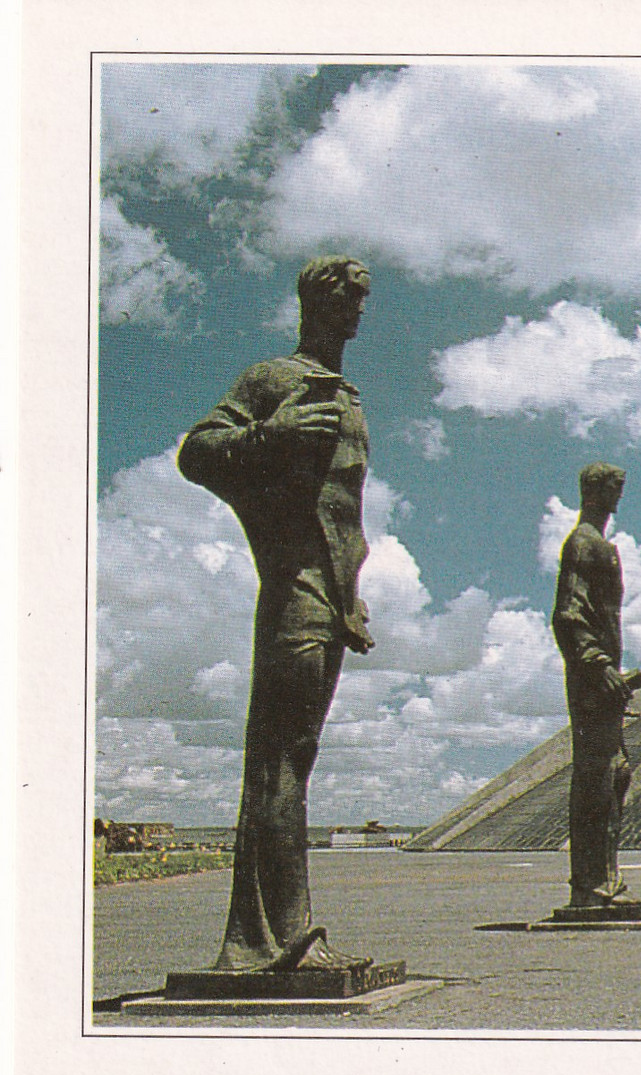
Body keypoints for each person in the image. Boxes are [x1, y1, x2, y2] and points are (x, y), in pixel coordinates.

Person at [178, 256, 376, 971]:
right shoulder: (273, 379)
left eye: (362, 299)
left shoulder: (349, 397)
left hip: (329, 593)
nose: (358, 310)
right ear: (316, 300)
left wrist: (351, 594)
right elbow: (197, 453)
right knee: (279, 759)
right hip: (291, 585)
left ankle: (274, 934)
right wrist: (269, 435)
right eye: (347, 297)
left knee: (298, 755)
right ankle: (279, 938)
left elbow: (342, 511)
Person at [552, 462, 635, 907]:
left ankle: (605, 877)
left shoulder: (598, 544)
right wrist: (597, 665)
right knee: (597, 776)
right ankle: (591, 885)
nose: (619, 497)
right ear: (595, 490)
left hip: (603, 676)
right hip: (592, 678)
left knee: (614, 773)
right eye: (615, 488)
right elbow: (567, 613)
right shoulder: (583, 544)